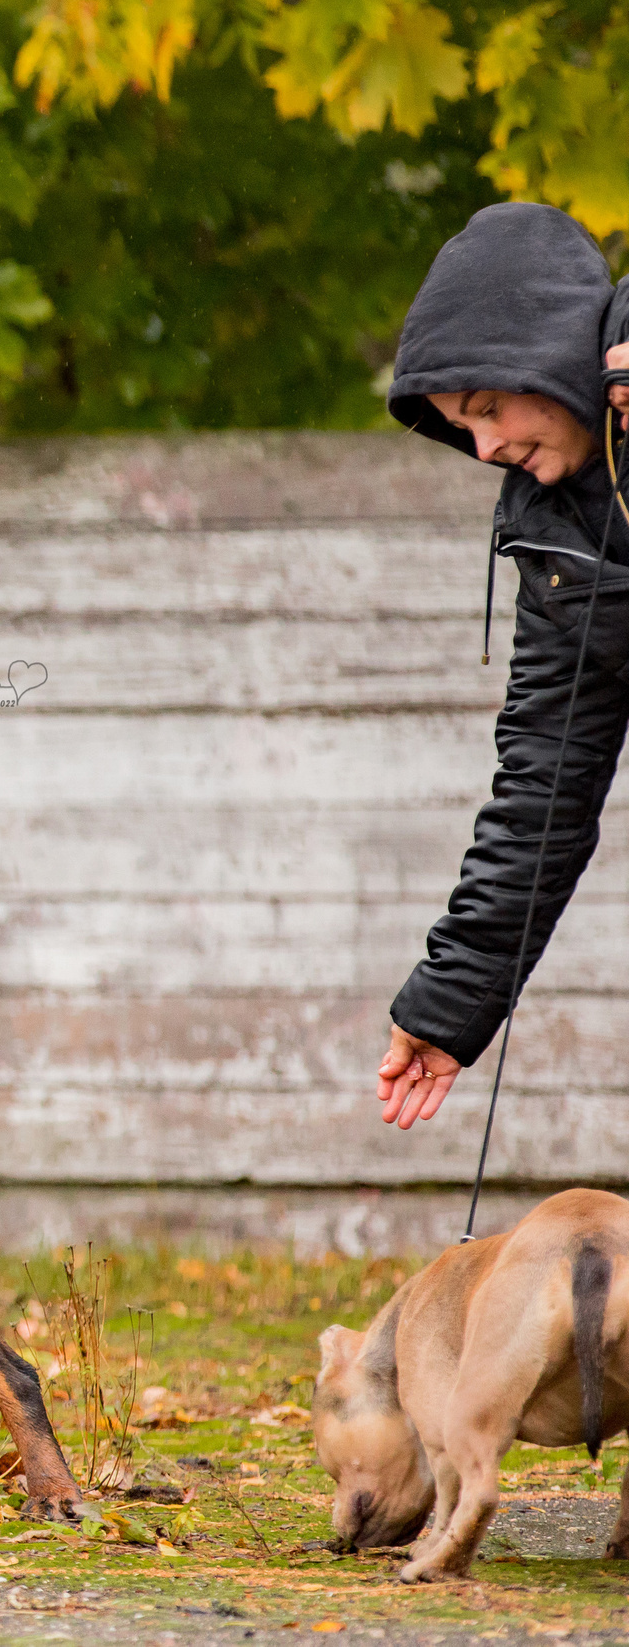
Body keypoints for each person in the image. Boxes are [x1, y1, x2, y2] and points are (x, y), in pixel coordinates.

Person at [375, 202, 629, 1129]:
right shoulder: (556, 542)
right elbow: (540, 797)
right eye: (460, 427)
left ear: (554, 349)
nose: (485, 448)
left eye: (487, 409)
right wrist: (450, 1005)